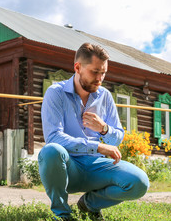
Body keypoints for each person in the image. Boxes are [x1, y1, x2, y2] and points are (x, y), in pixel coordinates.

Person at [39, 43, 149, 220]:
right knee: (51, 150)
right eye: (95, 72)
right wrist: (97, 146)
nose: (100, 78)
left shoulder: (105, 96)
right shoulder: (55, 93)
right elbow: (54, 137)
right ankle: (62, 215)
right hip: (68, 168)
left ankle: (89, 204)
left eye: (103, 72)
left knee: (139, 183)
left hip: (96, 167)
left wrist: (104, 129)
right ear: (77, 67)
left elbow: (117, 138)